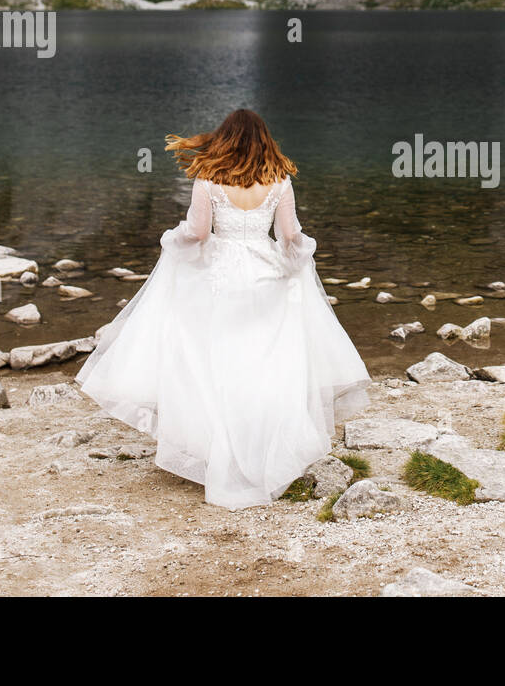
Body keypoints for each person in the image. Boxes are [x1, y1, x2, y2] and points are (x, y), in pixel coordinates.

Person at [77, 109, 370, 509]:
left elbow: (198, 232)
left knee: (216, 360)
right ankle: (266, 450)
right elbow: (290, 236)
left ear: (224, 140)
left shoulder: (209, 179)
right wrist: (299, 260)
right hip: (265, 277)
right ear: (265, 141)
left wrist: (173, 240)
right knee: (266, 361)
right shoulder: (279, 180)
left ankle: (219, 450)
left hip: (222, 279)